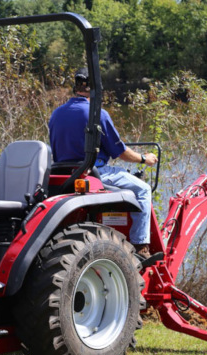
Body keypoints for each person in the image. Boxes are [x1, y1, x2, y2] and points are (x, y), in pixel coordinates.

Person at [49, 68, 158, 259]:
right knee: (143, 190)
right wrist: (143, 159)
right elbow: (121, 152)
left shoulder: (56, 114)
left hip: (65, 175)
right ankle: (141, 246)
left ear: (76, 87)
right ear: (96, 88)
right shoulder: (98, 114)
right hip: (93, 173)